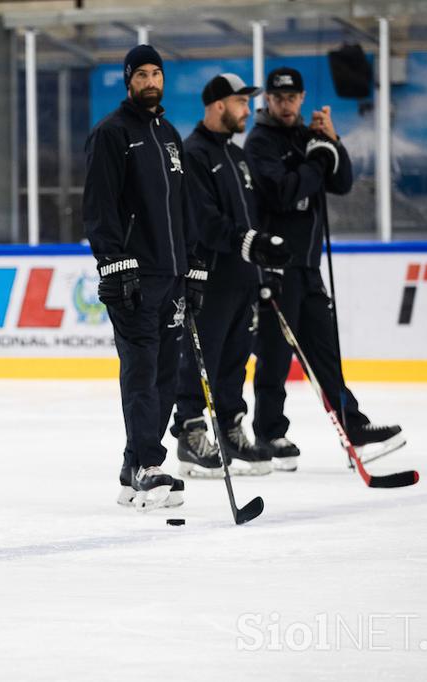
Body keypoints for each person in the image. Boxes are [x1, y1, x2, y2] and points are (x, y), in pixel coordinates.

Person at [245, 67, 403, 471]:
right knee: (276, 356)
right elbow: (282, 193)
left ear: (301, 98)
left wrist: (332, 141)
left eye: (292, 97)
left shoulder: (307, 136)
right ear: (268, 101)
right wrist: (317, 160)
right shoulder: (260, 142)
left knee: (325, 354)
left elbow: (343, 182)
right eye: (278, 98)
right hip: (276, 268)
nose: (285, 104)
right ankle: (269, 431)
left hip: (309, 266)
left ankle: (353, 426)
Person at [82, 44, 203, 511]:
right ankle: (149, 465)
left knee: (166, 376)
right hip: (134, 276)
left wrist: (193, 268)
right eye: (142, 75)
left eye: (157, 74)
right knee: (141, 370)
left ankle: (135, 467)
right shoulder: (112, 134)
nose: (151, 82)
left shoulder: (170, 135)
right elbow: (100, 207)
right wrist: (114, 263)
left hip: (171, 276)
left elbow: (182, 209)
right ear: (128, 80)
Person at [171, 73, 292, 479]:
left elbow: (251, 218)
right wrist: (249, 244)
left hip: (242, 278)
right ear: (219, 105)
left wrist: (263, 265)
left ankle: (229, 429)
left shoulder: (237, 157)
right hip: (209, 278)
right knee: (200, 358)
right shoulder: (194, 155)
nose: (247, 110)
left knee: (235, 360)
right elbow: (204, 222)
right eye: (242, 102)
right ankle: (190, 433)